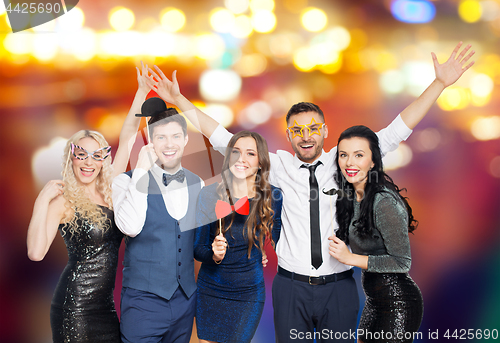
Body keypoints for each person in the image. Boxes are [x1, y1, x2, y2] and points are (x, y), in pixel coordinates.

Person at [146, 41, 474, 342]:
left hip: (339, 286)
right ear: (288, 135)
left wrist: (440, 84)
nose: (306, 136)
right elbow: (222, 138)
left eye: (313, 128)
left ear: (325, 130)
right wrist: (178, 101)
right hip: (291, 288)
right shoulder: (278, 165)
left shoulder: (346, 160)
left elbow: (396, 131)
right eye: (297, 130)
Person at [26, 62, 150, 342]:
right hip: (74, 306)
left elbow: (128, 136)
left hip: (105, 308)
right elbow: (35, 252)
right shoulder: (64, 201)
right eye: (82, 155)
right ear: (71, 158)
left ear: (104, 160)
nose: (89, 162)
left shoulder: (111, 191)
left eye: (96, 155)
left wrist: (140, 93)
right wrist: (41, 201)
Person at [112, 98, 204, 343]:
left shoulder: (199, 183)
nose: (169, 144)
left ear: (186, 139)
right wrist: (141, 170)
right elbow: (130, 228)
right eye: (161, 137)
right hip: (143, 303)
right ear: (150, 142)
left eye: (175, 136)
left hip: (186, 302)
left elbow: (199, 244)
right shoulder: (124, 181)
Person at [329, 125, 423, 343]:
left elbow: (402, 262)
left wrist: (350, 258)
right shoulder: (351, 197)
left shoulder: (383, 201)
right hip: (374, 301)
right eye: (344, 155)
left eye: (358, 155)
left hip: (399, 302)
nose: (349, 162)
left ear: (373, 162)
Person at [194, 131, 283, 343]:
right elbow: (198, 249)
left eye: (250, 153)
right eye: (236, 152)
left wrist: (263, 249)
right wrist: (214, 255)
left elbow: (283, 240)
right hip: (210, 288)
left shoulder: (273, 196)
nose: (241, 159)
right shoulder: (208, 194)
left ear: (260, 161)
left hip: (248, 293)